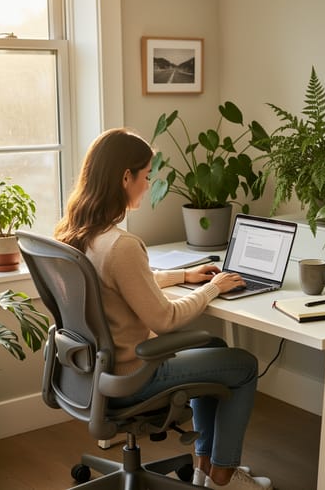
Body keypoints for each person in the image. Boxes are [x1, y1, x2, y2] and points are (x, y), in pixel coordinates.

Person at [54, 128, 272, 490]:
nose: (147, 184)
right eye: (146, 176)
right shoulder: (122, 245)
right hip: (133, 376)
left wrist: (185, 275)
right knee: (245, 366)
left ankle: (204, 465)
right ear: (126, 177)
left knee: (214, 351)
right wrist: (212, 288)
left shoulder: (76, 234)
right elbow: (165, 320)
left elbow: (118, 287)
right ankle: (222, 477)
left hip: (89, 372)